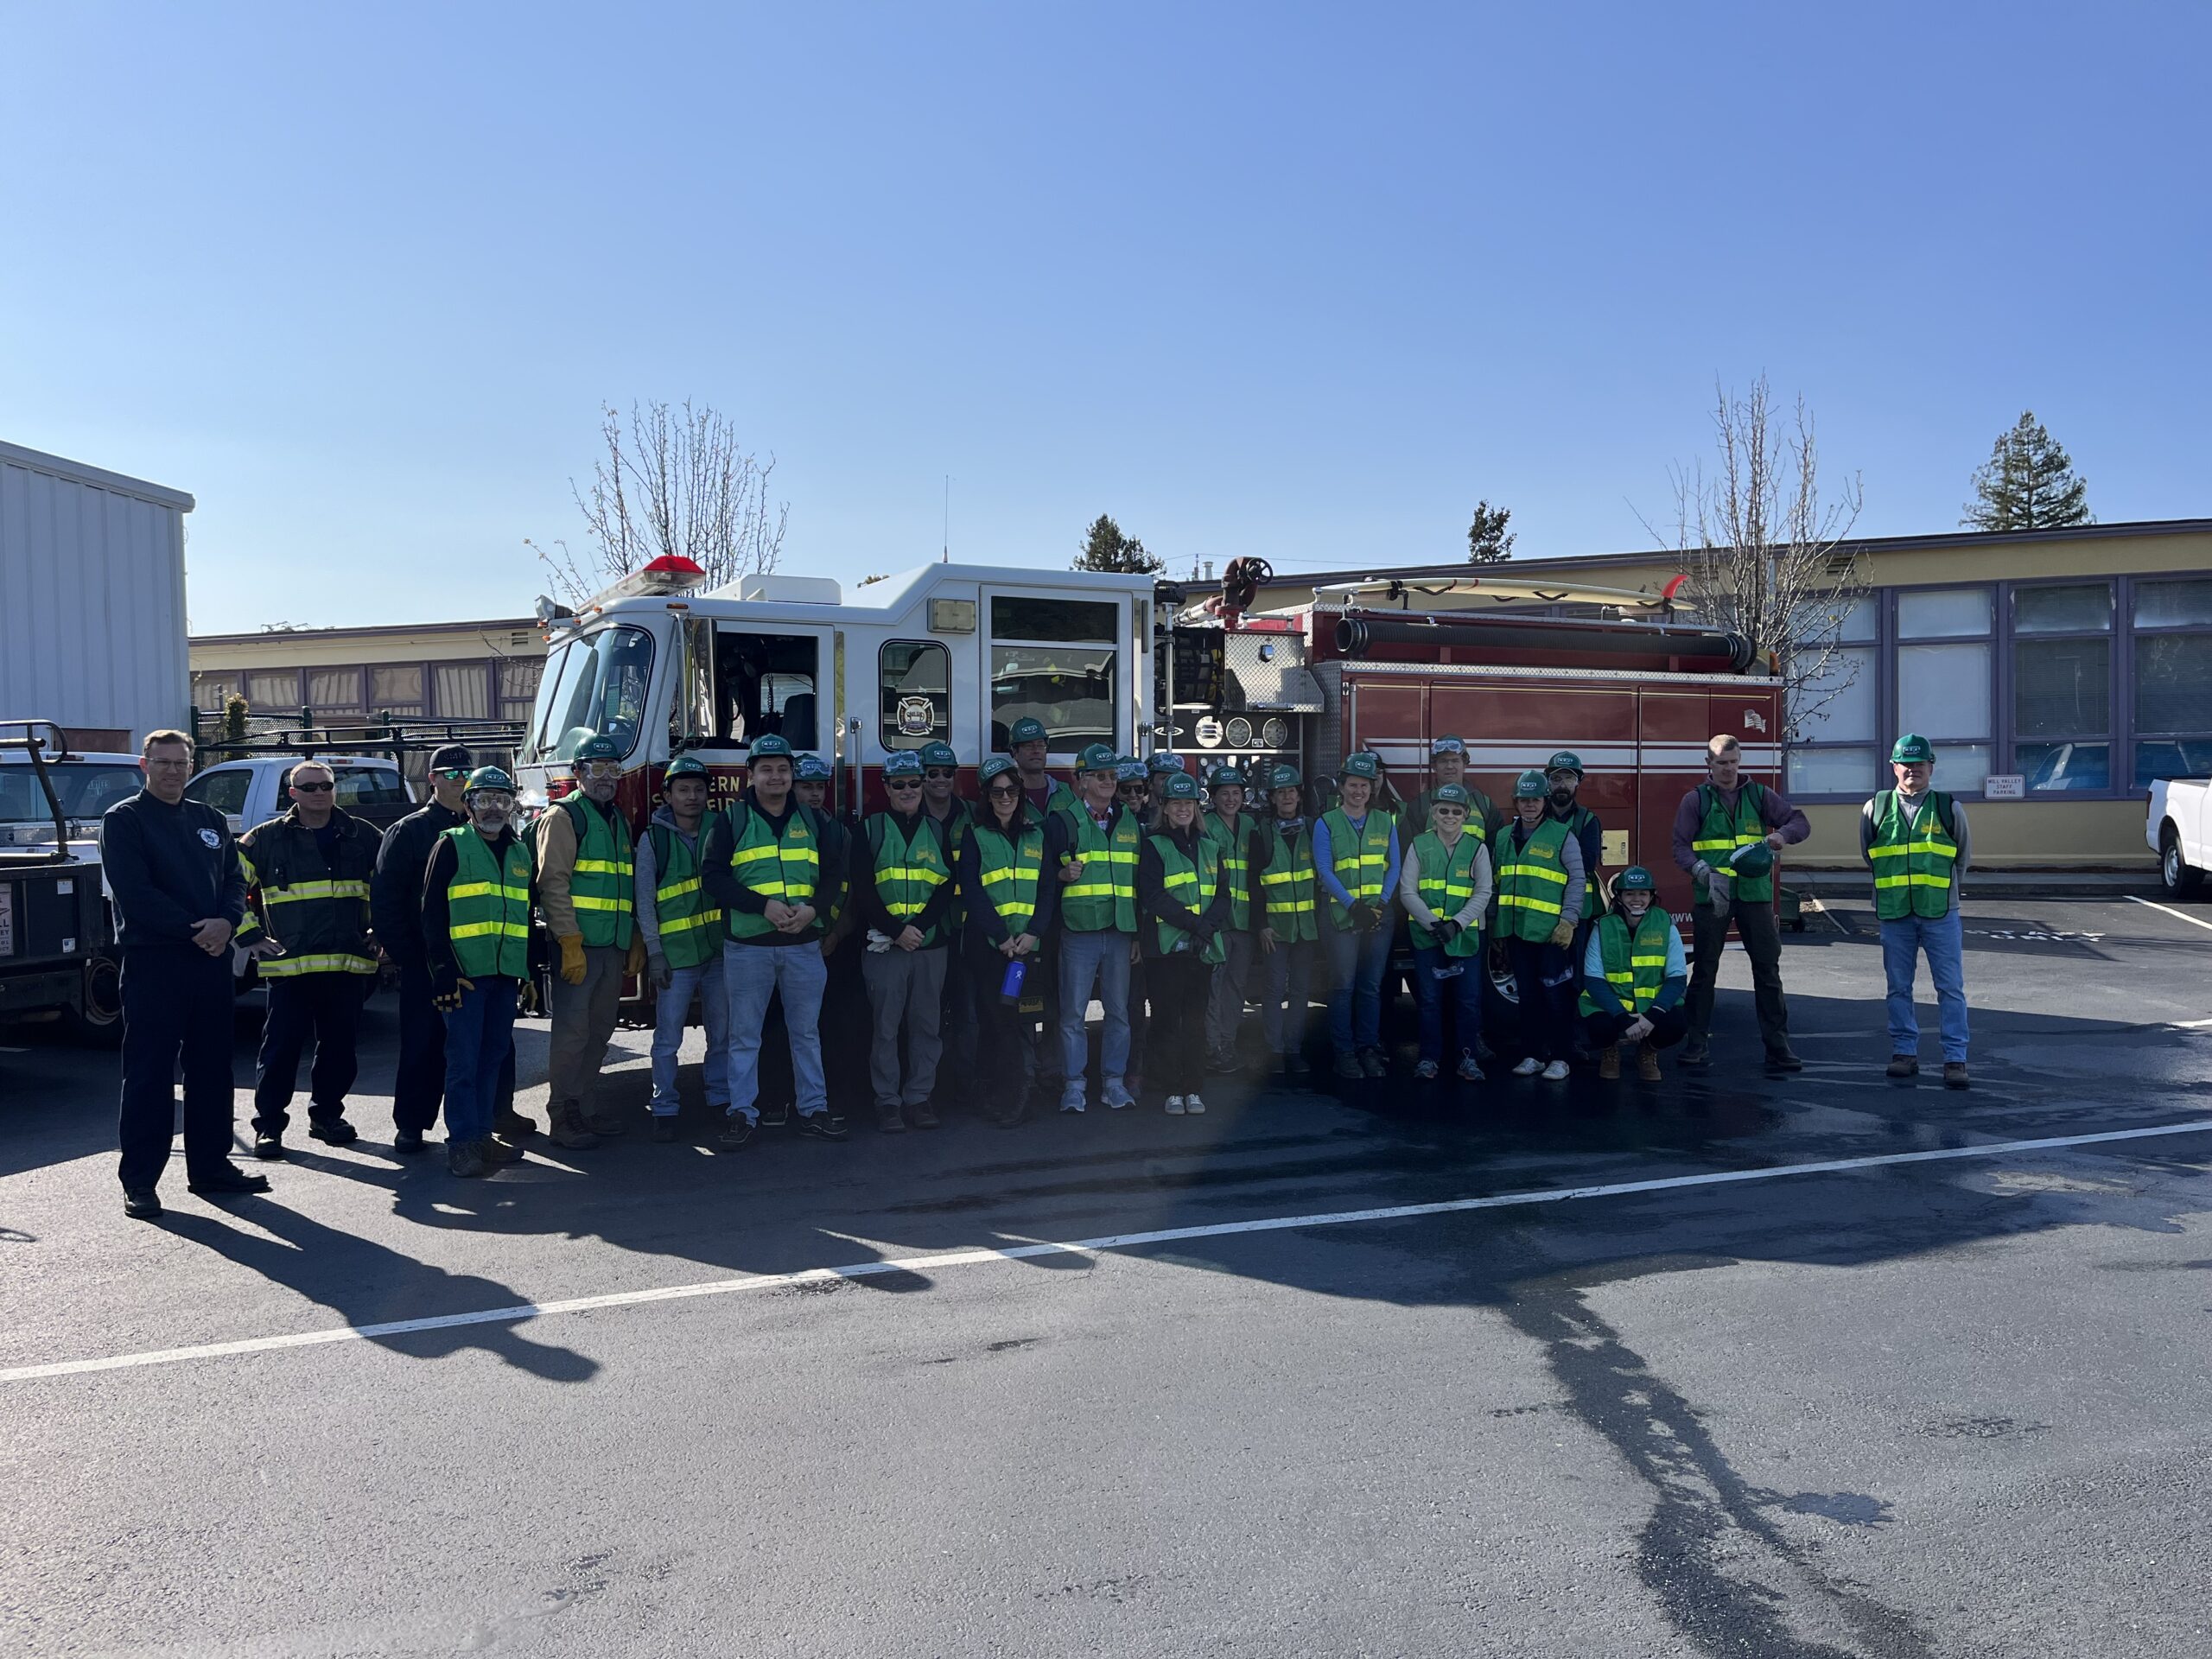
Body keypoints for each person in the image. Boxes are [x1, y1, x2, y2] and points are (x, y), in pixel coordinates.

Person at [101, 728, 266, 1219]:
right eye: (163, 762)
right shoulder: (124, 820)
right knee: (150, 1074)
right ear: (145, 765)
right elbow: (136, 894)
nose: (173, 770)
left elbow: (235, 878)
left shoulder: (208, 818)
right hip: (156, 963)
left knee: (213, 1069)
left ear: (192, 766)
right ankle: (140, 1181)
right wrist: (197, 930)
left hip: (210, 962)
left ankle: (211, 1168)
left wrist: (228, 922)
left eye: (181, 762)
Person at [372, 744, 522, 1153]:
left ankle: (494, 1116)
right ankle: (412, 1126)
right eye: (450, 774)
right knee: (422, 1046)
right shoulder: (410, 831)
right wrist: (415, 961)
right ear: (432, 779)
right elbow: (386, 901)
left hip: (484, 964)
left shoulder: (498, 832)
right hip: (429, 962)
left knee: (492, 1047)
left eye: (465, 774)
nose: (458, 780)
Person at [702, 733, 846, 1145]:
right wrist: (761, 906)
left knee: (807, 1035)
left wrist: (814, 910)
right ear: (751, 775)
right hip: (749, 947)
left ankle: (813, 1110)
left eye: (783, 769)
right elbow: (712, 878)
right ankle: (741, 1114)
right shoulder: (731, 820)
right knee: (744, 1037)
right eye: (766, 769)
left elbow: (834, 874)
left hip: (803, 946)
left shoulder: (814, 820)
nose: (776, 776)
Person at [235, 758, 381, 1158]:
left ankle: (327, 1117)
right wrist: (250, 935)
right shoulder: (264, 839)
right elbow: (229, 884)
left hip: (348, 963)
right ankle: (269, 1127)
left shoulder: (363, 835)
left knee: (340, 1049)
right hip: (290, 966)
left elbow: (392, 886)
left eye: (326, 786)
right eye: (309, 787)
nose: (319, 793)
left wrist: (383, 930)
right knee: (280, 1051)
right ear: (292, 793)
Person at [419, 766, 535, 1179]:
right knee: (464, 1062)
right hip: (465, 977)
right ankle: (463, 1143)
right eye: (484, 800)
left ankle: (483, 1136)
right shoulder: (451, 845)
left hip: (505, 975)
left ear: (512, 806)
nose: (494, 809)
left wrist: (528, 973)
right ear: (468, 805)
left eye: (502, 800)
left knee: (493, 1057)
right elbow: (431, 914)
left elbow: (524, 915)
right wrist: (443, 972)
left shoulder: (520, 852)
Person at [1673, 734, 1811, 1073]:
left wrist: (1782, 835)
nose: (1729, 769)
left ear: (1740, 761)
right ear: (1709, 764)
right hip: (1713, 894)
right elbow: (1680, 847)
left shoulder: (1759, 795)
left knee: (1767, 971)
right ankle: (1696, 1044)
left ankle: (1778, 1047)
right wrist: (1701, 871)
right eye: (1722, 763)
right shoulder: (1695, 800)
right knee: (1704, 971)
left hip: (1755, 895)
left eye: (1733, 762)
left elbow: (1799, 822)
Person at [536, 732, 645, 1147]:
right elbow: (553, 883)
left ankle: (586, 1107)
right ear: (578, 772)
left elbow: (625, 885)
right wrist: (568, 941)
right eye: (596, 768)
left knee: (599, 1031)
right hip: (578, 949)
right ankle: (562, 1116)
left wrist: (633, 935)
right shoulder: (563, 817)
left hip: (612, 946)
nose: (605, 777)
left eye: (612, 768)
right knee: (572, 1035)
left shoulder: (616, 820)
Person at [852, 751, 957, 1132]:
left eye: (915, 783)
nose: (908, 790)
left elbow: (945, 886)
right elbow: (862, 889)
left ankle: (919, 1098)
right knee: (885, 1028)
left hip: (929, 945)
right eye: (899, 784)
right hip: (885, 945)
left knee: (927, 1027)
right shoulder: (870, 829)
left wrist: (920, 928)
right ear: (886, 787)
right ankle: (887, 1102)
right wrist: (897, 931)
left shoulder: (936, 830)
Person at [1862, 734, 1973, 1088]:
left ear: (1931, 767)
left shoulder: (1949, 808)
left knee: (1950, 988)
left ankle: (1955, 1059)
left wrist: (1945, 893)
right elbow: (1870, 856)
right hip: (1895, 913)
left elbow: (1962, 858)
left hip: (1940, 912)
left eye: (1920, 764)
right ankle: (1904, 1053)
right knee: (1898, 987)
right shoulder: (1875, 808)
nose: (1913, 770)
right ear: (1894, 767)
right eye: (1906, 764)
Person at [955, 755, 1057, 1126]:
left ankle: (1015, 1098)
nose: (1005, 798)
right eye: (996, 792)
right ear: (986, 796)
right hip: (990, 950)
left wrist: (1033, 933)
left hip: (1023, 952)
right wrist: (1000, 937)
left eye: (1011, 791)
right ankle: (992, 1094)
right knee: (991, 1022)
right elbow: (971, 891)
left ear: (1020, 794)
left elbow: (1047, 889)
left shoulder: (1037, 835)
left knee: (1013, 1023)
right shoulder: (975, 836)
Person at [1040, 742, 1141, 1112]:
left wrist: (1137, 934)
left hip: (1119, 932)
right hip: (1077, 932)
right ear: (1081, 781)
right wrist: (1060, 874)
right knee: (1072, 1015)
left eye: (1113, 775)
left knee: (1119, 1014)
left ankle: (1114, 1083)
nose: (1109, 782)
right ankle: (1074, 1086)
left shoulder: (1129, 820)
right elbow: (1040, 878)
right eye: (1100, 776)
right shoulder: (1062, 822)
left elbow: (1139, 883)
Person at [635, 756, 730, 1141]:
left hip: (719, 952)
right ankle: (665, 1108)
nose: (692, 796)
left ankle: (720, 1099)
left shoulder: (721, 828)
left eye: (698, 789)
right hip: (675, 958)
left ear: (708, 794)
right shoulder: (653, 838)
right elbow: (645, 901)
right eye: (683, 789)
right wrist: (655, 952)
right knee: (667, 1038)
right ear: (668, 795)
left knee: (722, 1034)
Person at [1138, 772, 1232, 1114]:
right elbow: (1153, 896)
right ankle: (1172, 1089)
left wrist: (1205, 928)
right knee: (1166, 1021)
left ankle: (1193, 1088)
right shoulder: (1153, 845)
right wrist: (1197, 925)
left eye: (1188, 803)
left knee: (1194, 1022)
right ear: (1164, 807)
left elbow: (1223, 895)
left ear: (1196, 807)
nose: (1182, 809)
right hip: (1166, 951)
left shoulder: (1210, 846)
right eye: (1176, 803)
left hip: (1199, 950)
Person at [1399, 781, 1494, 1082]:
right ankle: (1428, 1059)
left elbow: (1484, 891)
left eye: (1456, 811)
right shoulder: (1419, 845)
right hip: (1427, 936)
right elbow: (1407, 891)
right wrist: (1433, 924)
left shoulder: (1477, 848)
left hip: (1466, 936)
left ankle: (1467, 1059)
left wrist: (1456, 924)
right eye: (1443, 811)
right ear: (1433, 813)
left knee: (1468, 1001)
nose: (1449, 816)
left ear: (1465, 814)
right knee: (1429, 1001)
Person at [1313, 751, 1400, 1079]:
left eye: (1365, 785)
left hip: (1378, 916)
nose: (1359, 791)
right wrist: (1353, 906)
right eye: (1353, 784)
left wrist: (1381, 905)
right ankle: (1344, 1054)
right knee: (1343, 986)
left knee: (1371, 987)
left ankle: (1368, 1049)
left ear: (1372, 787)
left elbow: (1394, 866)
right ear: (1341, 786)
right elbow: (1325, 870)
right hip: (1341, 916)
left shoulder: (1385, 821)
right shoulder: (1326, 823)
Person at [1497, 769, 1585, 1080]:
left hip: (1552, 934)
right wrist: (1496, 929)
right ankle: (1532, 1055)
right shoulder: (1503, 837)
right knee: (1528, 997)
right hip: (1516, 931)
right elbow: (1496, 883)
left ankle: (1561, 1058)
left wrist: (1568, 921)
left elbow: (1577, 878)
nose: (1529, 805)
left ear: (1545, 802)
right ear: (1516, 802)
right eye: (1524, 800)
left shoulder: (1562, 835)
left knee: (1556, 996)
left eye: (1535, 799)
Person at [1580, 866, 1688, 1081]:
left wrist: (1653, 1016)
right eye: (1629, 894)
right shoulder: (1603, 926)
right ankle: (1610, 1051)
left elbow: (1677, 978)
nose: (1636, 899)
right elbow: (1594, 980)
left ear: (1652, 896)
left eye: (1643, 894)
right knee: (1599, 1027)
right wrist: (1623, 1019)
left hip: (1651, 1005)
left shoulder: (1665, 924)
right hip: (1613, 1008)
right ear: (1619, 897)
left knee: (1676, 1025)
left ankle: (1647, 1051)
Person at [918, 739, 978, 1108]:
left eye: (947, 773)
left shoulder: (973, 814)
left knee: (968, 1012)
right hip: (926, 932)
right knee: (926, 1015)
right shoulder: (908, 814)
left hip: (968, 931)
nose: (941, 779)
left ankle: (966, 1086)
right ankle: (929, 1087)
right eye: (933, 773)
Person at [1202, 765, 1266, 1075]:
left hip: (1244, 923)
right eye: (1224, 793)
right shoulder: (1205, 825)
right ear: (1213, 797)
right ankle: (1211, 1046)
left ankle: (1227, 1043)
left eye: (1236, 793)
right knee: (1213, 988)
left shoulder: (1251, 825)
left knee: (1236, 987)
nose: (1230, 799)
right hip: (1217, 923)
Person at [1255, 766, 1318, 1077]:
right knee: (1274, 989)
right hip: (1275, 930)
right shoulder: (1263, 833)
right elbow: (1254, 884)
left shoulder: (1313, 829)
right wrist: (1261, 925)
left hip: (1307, 928)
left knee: (1301, 991)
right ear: (1272, 798)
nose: (1287, 797)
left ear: (1299, 795)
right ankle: (1274, 1052)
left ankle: (1293, 1050)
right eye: (1280, 793)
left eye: (1291, 791)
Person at [1403, 735, 1502, 844]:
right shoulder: (1420, 805)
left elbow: (1495, 848)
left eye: (1455, 761)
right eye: (1443, 761)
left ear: (1464, 765)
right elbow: (1412, 848)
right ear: (1434, 766)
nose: (1449, 766)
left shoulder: (1484, 804)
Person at [1008, 716, 1076, 817]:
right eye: (1028, 746)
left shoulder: (1066, 792)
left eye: (1040, 745)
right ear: (1015, 752)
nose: (1036, 751)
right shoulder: (1007, 795)